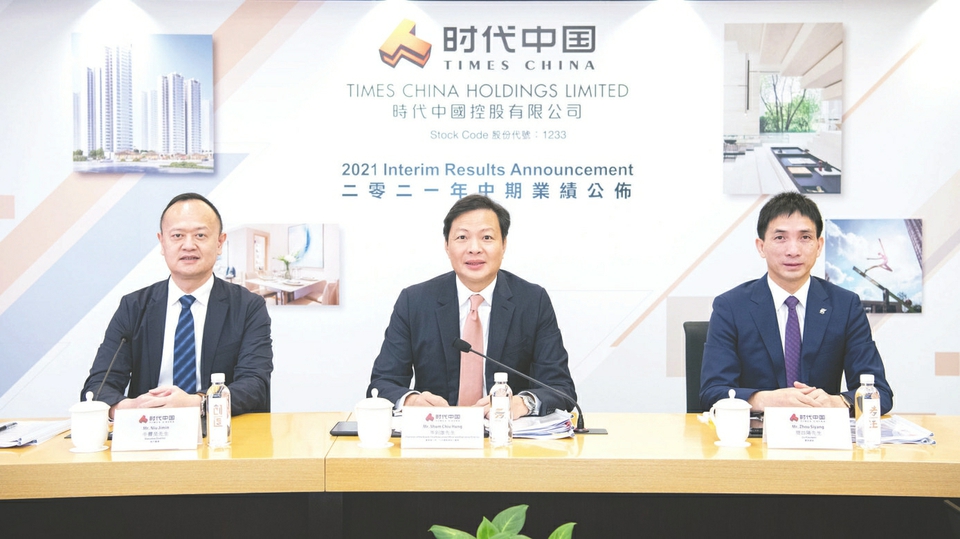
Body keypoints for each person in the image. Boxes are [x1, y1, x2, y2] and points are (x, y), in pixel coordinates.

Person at [368, 194, 576, 419]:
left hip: (505, 432)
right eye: (462, 237)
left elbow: (561, 387)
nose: (474, 248)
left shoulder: (532, 301)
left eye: (487, 237)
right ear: (447, 246)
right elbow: (382, 384)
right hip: (436, 431)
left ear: (504, 245)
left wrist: (523, 403)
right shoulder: (415, 302)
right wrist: (411, 401)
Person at [82, 193, 273, 418]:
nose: (188, 245)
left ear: (220, 243)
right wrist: (131, 408)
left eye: (200, 235)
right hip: (149, 428)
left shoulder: (248, 307)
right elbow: (98, 386)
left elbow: (255, 384)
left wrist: (196, 403)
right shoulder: (133, 307)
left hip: (220, 428)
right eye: (177, 236)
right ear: (162, 242)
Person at [700, 192, 893, 415]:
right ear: (761, 246)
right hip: (757, 432)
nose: (793, 250)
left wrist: (836, 402)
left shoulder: (845, 306)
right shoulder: (731, 307)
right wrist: (765, 400)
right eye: (780, 238)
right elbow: (712, 392)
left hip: (821, 431)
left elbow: (879, 393)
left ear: (819, 246)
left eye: (805, 237)